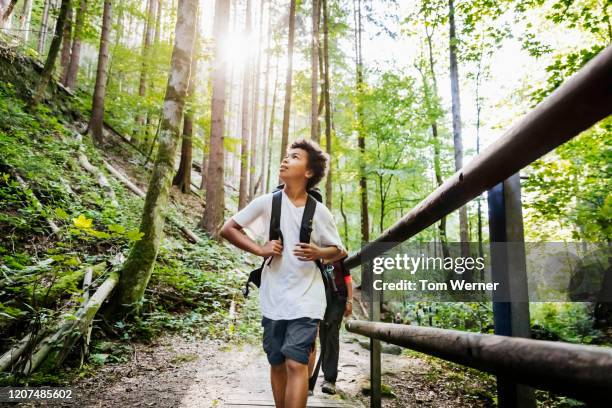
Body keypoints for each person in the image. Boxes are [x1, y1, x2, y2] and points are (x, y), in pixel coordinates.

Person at [220, 138, 347, 408]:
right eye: (287, 155)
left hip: (308, 297)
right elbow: (227, 228)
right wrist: (259, 249)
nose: (286, 159)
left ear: (309, 172)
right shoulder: (267, 202)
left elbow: (340, 251)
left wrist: (318, 252)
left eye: (295, 157)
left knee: (296, 361)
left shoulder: (319, 212)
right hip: (273, 296)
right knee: (277, 361)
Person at [317, 256, 353, 395]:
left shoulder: (340, 252)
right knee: (324, 334)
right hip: (321, 297)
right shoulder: (316, 249)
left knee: (332, 332)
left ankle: (330, 379)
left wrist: (350, 300)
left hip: (339, 297)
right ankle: (326, 373)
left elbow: (348, 277)